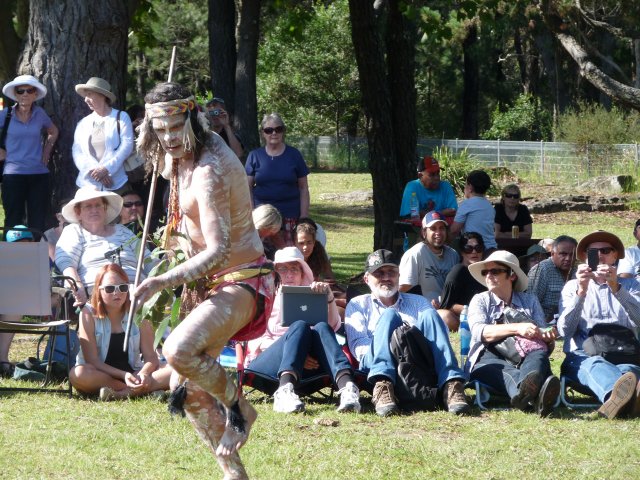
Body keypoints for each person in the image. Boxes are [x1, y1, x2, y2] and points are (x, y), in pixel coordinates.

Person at [133, 82, 275, 479]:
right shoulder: (177, 158)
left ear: (193, 119)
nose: (169, 138)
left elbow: (217, 250)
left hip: (242, 279)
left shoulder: (210, 170)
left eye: (176, 127)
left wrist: (161, 281)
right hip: (207, 285)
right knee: (187, 387)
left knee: (178, 349)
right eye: (160, 131)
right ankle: (234, 474)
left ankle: (240, 407)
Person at [345, 249, 470, 416]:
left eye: (391, 272)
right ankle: (383, 385)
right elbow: (358, 347)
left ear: (399, 276)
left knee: (430, 314)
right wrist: (391, 351)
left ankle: (452, 383)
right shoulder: (357, 304)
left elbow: (437, 336)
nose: (386, 278)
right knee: (389, 315)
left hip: (415, 362)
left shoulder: (418, 302)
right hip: (374, 364)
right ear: (366, 279)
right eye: (379, 273)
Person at [245, 247, 360, 413]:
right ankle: (284, 391)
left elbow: (334, 327)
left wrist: (328, 299)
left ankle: (348, 389)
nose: (289, 275)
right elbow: (254, 338)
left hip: (310, 369)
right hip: (268, 366)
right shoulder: (265, 297)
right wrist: (296, 351)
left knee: (321, 326)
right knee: (299, 324)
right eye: (283, 269)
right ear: (275, 273)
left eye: (294, 269)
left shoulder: (313, 292)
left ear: (302, 273)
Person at [558, 230, 640, 419]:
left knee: (628, 372)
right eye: (593, 252)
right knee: (594, 364)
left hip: (624, 354)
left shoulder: (632, 285)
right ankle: (621, 397)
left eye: (606, 250)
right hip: (584, 356)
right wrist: (581, 292)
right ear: (586, 257)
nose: (600, 256)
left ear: (615, 255)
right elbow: (564, 330)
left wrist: (616, 288)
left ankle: (619, 401)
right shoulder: (572, 287)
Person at [466, 250, 560, 415]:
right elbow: (480, 332)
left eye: (495, 271)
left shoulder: (529, 300)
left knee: (538, 352)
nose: (488, 276)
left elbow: (542, 343)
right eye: (485, 272)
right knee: (509, 372)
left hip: (525, 357)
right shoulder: (480, 299)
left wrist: (548, 338)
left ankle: (526, 394)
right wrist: (517, 328)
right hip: (487, 358)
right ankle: (537, 394)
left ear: (512, 276)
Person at [69, 264, 171, 400]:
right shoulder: (87, 314)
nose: (117, 293)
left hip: (135, 373)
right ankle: (141, 390)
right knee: (78, 374)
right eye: (110, 289)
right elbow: (92, 361)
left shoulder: (139, 312)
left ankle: (119, 394)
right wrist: (124, 376)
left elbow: (151, 357)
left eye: (123, 287)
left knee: (177, 369)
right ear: (98, 290)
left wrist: (144, 373)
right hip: (102, 375)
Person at [55, 187, 151, 306]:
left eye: (98, 205)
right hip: (98, 295)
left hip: (136, 291)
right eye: (88, 206)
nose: (94, 210)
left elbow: (147, 258)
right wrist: (77, 286)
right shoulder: (74, 231)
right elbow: (65, 262)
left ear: (105, 209)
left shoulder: (122, 230)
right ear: (78, 212)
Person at [0, 74, 58, 237]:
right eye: (20, 91)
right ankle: (10, 259)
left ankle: (36, 259)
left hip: (39, 175)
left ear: (35, 94)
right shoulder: (6, 114)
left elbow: (53, 131)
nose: (25, 94)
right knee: (13, 220)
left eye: (29, 90)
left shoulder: (40, 113)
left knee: (38, 221)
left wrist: (47, 151)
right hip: (13, 175)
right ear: (16, 94)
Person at [245, 113, 310, 246]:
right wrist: (252, 214)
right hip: (263, 218)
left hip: (290, 216)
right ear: (263, 133)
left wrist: (304, 217)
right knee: (262, 256)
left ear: (283, 131)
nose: (274, 133)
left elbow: (303, 188)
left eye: (278, 129)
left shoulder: (294, 155)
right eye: (269, 130)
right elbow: (247, 188)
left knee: (289, 257)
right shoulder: (254, 156)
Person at [72, 77, 133, 194]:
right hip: (87, 185)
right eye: (85, 96)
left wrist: (106, 169)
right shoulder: (83, 123)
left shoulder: (121, 117)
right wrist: (95, 172)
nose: (86, 100)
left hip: (116, 184)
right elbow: (77, 151)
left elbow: (127, 146)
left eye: (89, 94)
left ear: (102, 95)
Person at [399, 211, 459, 305]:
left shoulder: (453, 255)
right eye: (433, 229)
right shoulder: (415, 254)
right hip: (421, 309)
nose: (438, 233)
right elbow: (403, 288)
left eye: (442, 228)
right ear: (424, 233)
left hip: (447, 306)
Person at [0, 225, 36, 378]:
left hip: (14, 304)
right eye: (16, 247)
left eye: (25, 246)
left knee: (15, 306)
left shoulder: (38, 262)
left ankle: (2, 360)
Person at [435, 232, 487, 331]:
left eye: (478, 248)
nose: (474, 252)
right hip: (463, 317)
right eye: (468, 249)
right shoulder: (458, 272)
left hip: (487, 315)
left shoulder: (487, 271)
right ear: (462, 252)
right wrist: (472, 309)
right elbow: (447, 305)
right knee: (444, 316)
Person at [527, 235, 577, 322]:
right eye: (563, 254)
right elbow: (530, 305)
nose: (568, 258)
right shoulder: (541, 270)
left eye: (572, 255)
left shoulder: (578, 272)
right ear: (553, 254)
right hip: (545, 324)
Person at [450, 170, 497, 252]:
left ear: (470, 188)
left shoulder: (466, 204)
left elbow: (454, 230)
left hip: (476, 250)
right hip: (492, 248)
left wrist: (444, 242)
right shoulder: (489, 206)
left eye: (465, 184)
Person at [399, 156, 457, 220]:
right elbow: (411, 214)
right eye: (432, 174)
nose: (437, 178)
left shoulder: (445, 186)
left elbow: (453, 210)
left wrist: (424, 213)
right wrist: (442, 213)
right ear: (420, 176)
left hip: (443, 228)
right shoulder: (412, 186)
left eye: (438, 173)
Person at [294, 219, 335, 283]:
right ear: (295, 243)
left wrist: (322, 282)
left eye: (309, 242)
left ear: (314, 242)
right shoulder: (291, 257)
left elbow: (330, 278)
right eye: (301, 243)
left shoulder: (319, 251)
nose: (305, 247)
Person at [43, 198, 70, 263]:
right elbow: (56, 260)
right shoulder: (48, 235)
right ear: (58, 216)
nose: (69, 218)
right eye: (66, 214)